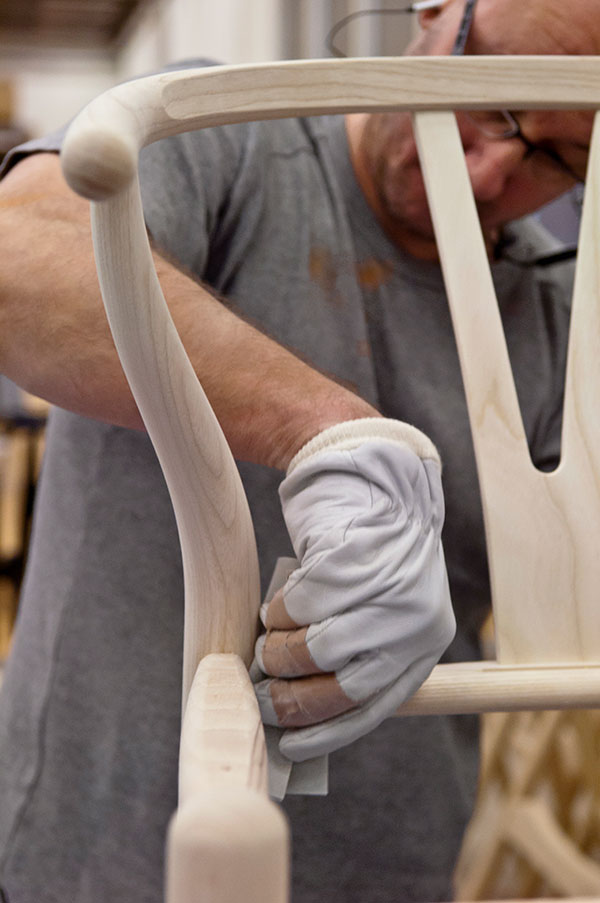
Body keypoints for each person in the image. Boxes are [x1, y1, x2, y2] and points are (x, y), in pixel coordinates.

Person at [0, 0, 594, 899]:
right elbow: (16, 261)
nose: (488, 171)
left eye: (560, 156)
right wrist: (329, 430)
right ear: (436, 10)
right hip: (91, 857)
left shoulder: (558, 329)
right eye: (491, 98)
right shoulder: (224, 128)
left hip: (391, 868)